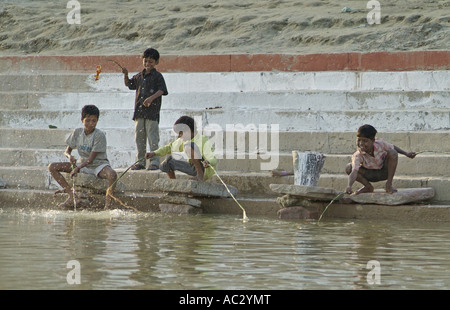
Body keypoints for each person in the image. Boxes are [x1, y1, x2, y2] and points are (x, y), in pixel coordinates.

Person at [48, 105, 118, 209]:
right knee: (52, 167)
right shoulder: (77, 132)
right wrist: (69, 156)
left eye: (94, 121)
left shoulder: (99, 135)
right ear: (82, 120)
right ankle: (71, 196)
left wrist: (78, 168)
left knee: (112, 175)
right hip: (82, 164)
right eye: (88, 120)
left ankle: (108, 205)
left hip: (98, 165)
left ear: (97, 121)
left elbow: (91, 159)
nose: (91, 124)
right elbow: (67, 151)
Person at [122, 47, 168, 171]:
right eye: (146, 61)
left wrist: (151, 98)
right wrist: (125, 75)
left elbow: (162, 90)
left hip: (152, 112)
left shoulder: (157, 76)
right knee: (139, 138)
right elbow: (129, 85)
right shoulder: (139, 76)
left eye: (151, 62)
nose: (147, 64)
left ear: (156, 62)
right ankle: (140, 161)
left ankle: (154, 161)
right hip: (139, 112)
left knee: (153, 138)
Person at [345, 124, 416, 195]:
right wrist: (349, 185)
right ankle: (368, 187)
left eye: (365, 141)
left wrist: (406, 153)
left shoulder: (380, 143)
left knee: (393, 153)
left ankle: (389, 185)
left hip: (383, 172)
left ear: (373, 140)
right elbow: (354, 171)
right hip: (369, 174)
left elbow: (392, 147)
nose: (361, 143)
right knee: (349, 167)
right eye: (359, 140)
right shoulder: (357, 155)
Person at [146, 116, 217, 181]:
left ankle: (200, 176)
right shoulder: (183, 140)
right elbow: (169, 147)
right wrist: (154, 153)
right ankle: (173, 182)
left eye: (180, 133)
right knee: (166, 163)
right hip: (193, 167)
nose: (179, 136)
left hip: (204, 169)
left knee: (189, 146)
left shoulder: (203, 140)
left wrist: (208, 162)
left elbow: (213, 158)